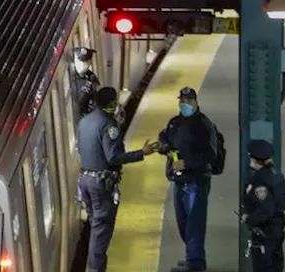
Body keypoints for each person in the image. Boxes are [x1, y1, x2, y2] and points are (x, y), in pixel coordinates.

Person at [78, 86, 158, 272]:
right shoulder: (109, 125)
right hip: (101, 185)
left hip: (85, 181)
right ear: (112, 102)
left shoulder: (84, 122)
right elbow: (113, 157)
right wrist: (141, 153)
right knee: (101, 231)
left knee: (95, 226)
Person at [158, 87, 219, 272]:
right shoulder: (175, 123)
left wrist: (187, 164)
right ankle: (193, 258)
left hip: (196, 181)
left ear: (196, 102)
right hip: (179, 181)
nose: (185, 104)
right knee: (183, 222)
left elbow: (211, 155)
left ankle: (195, 263)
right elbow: (164, 137)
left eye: (188, 101)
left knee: (194, 223)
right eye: (182, 101)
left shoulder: (204, 125)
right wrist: (163, 145)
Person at [241, 139, 285, 272]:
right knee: (276, 265)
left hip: (265, 231)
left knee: (263, 265)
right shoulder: (277, 175)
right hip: (277, 229)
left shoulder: (259, 180)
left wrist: (249, 219)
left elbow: (265, 209)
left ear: (254, 160)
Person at [74, 46, 101, 117]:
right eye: (82, 61)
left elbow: (96, 99)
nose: (85, 64)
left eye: (87, 60)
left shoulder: (91, 78)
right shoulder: (68, 77)